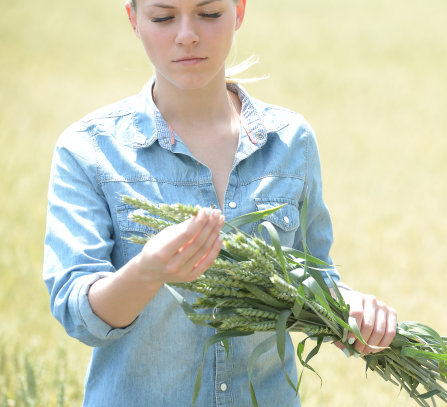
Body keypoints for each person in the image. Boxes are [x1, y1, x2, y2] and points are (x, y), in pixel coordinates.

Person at [43, 0, 397, 405]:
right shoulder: (88, 151)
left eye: (209, 13)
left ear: (240, 11)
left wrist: (349, 310)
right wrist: (147, 272)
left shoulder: (290, 141)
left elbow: (313, 275)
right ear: (133, 20)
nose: (187, 34)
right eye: (163, 17)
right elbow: (79, 315)